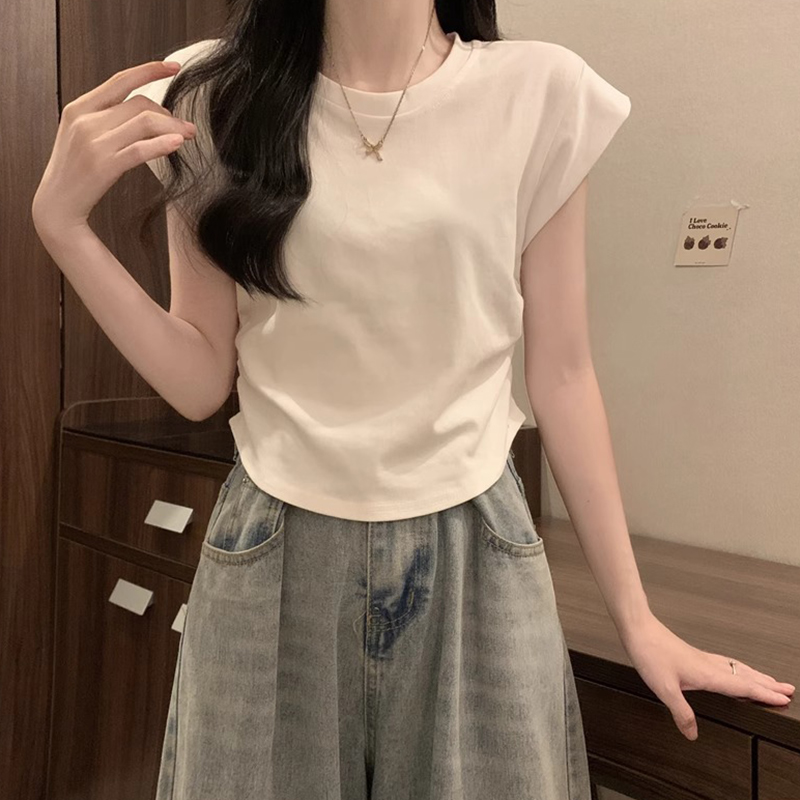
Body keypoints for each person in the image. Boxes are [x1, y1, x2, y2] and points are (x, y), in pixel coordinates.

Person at [31, 0, 795, 798]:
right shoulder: (212, 97)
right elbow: (197, 382)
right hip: (275, 548)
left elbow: (564, 375)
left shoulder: (539, 92)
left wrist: (638, 622)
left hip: (475, 548)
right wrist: (64, 229)